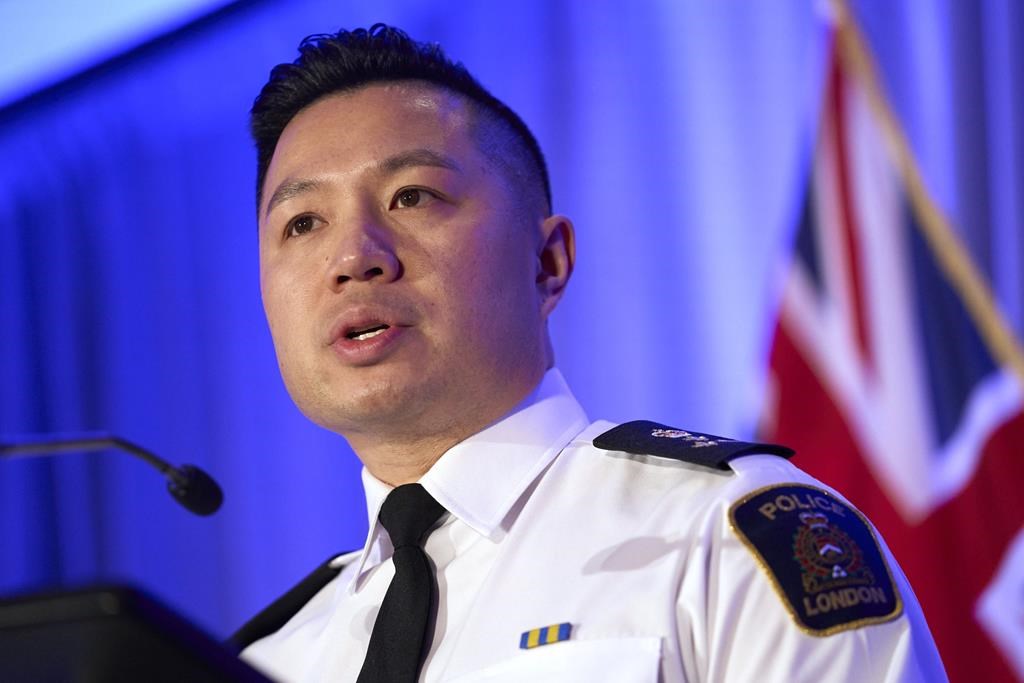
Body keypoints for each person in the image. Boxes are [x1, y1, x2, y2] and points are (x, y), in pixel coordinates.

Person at [232, 24, 947, 682]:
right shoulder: (267, 658)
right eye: (302, 223)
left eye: (411, 196)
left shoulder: (724, 541)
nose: (355, 256)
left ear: (547, 262)